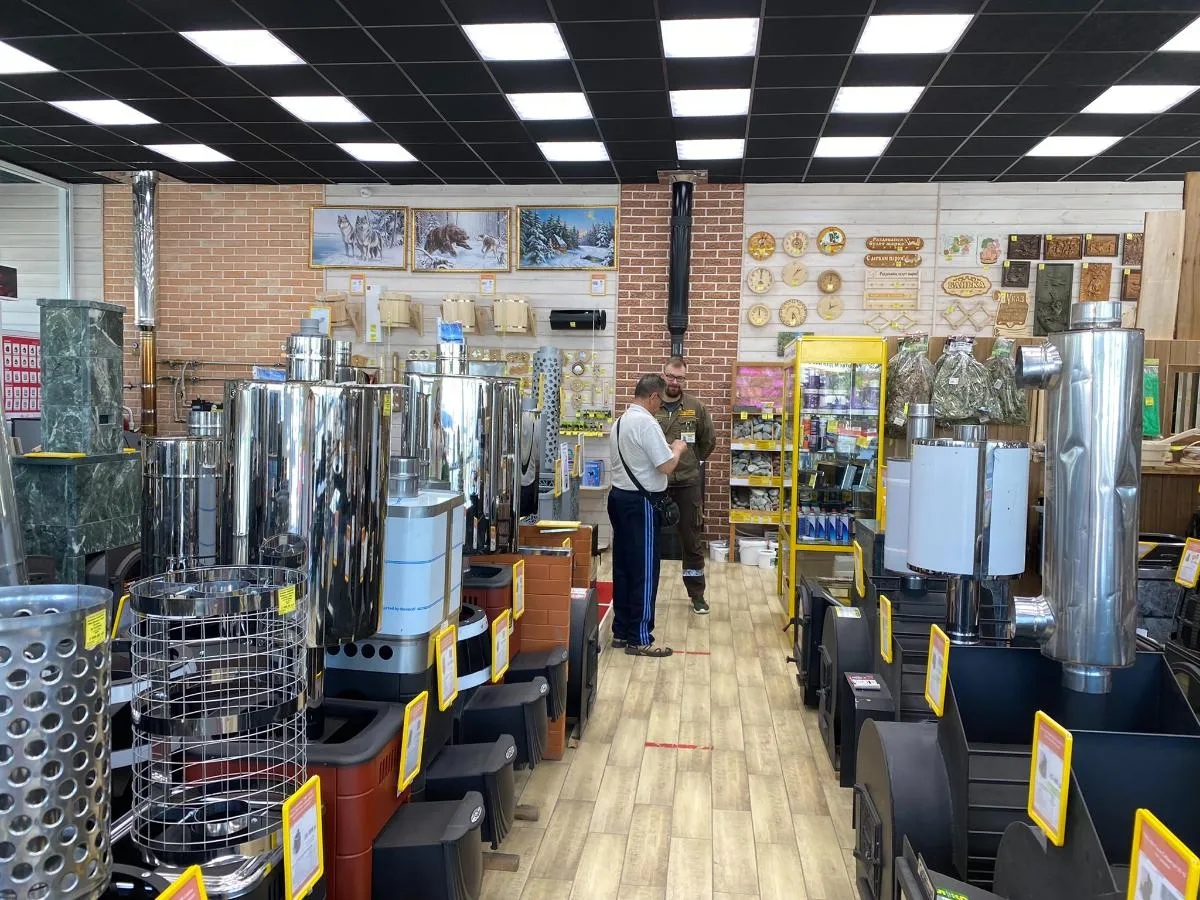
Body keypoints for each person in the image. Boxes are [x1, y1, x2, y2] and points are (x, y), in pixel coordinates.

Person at [608, 374, 687, 657]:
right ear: (653, 396)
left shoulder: (619, 422)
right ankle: (640, 638)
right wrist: (677, 449)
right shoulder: (646, 423)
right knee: (644, 570)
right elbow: (666, 466)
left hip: (618, 498)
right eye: (660, 401)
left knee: (623, 567)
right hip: (641, 503)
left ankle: (621, 631)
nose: (660, 406)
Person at [655, 356, 716, 615]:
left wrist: (691, 460)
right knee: (649, 538)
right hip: (655, 482)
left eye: (680, 378)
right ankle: (647, 592)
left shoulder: (695, 406)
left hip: (687, 482)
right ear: (663, 374)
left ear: (685, 379)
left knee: (692, 541)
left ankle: (697, 594)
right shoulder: (652, 404)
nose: (675, 382)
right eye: (671, 376)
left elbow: (708, 441)